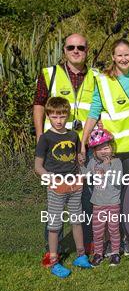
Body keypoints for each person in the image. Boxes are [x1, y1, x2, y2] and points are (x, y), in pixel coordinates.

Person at [32, 33, 97, 263]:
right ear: (64, 50)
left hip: (85, 147)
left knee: (85, 199)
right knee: (55, 201)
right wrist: (41, 136)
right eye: (71, 47)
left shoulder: (96, 76)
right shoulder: (50, 74)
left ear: (87, 50)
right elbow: (39, 104)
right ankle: (53, 252)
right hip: (55, 149)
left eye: (81, 47)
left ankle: (85, 247)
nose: (76, 50)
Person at [81, 38, 129, 255]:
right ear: (113, 57)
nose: (123, 58)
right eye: (119, 55)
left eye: (127, 54)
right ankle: (108, 241)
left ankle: (126, 239)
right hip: (113, 152)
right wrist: (83, 142)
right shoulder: (103, 80)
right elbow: (93, 112)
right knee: (110, 197)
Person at [35, 97, 93, 278]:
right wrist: (50, 178)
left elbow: (77, 160)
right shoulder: (45, 138)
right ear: (48, 117)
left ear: (67, 116)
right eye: (54, 117)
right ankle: (54, 261)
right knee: (54, 224)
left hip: (74, 185)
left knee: (76, 221)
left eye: (62, 116)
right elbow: (38, 166)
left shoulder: (73, 136)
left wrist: (82, 169)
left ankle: (81, 256)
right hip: (56, 187)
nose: (58, 121)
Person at [81, 128, 123, 266]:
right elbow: (86, 176)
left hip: (113, 203)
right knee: (97, 231)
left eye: (106, 148)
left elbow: (117, 182)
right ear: (94, 152)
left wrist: (107, 167)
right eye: (100, 149)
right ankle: (98, 253)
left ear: (111, 148)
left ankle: (115, 253)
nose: (104, 151)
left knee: (113, 230)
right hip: (98, 203)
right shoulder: (93, 163)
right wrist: (80, 165)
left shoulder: (116, 162)